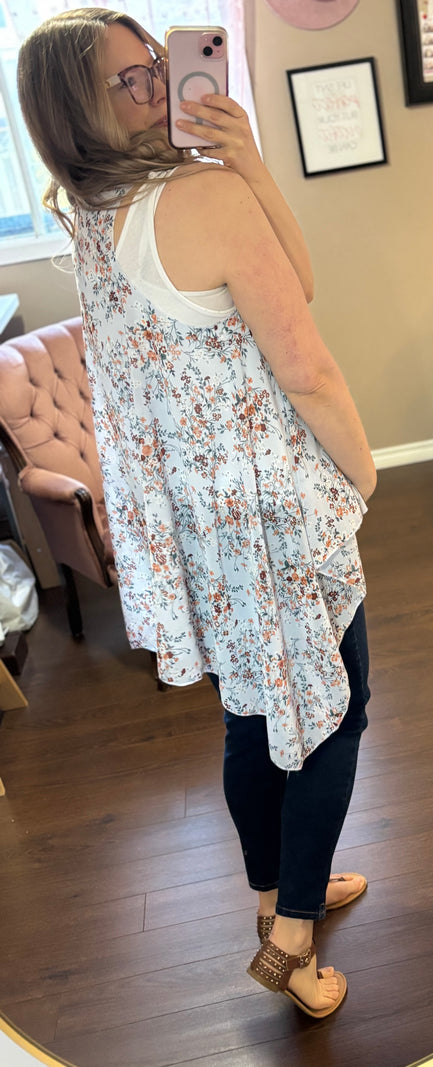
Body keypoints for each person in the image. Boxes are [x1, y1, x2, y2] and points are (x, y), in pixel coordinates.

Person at [17, 7, 377, 1019]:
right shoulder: (197, 196)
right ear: (76, 113)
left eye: (155, 68)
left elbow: (285, 284)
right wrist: (362, 472)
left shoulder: (87, 210)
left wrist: (248, 160)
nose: (159, 90)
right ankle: (296, 939)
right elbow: (302, 357)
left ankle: (272, 900)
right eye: (128, 82)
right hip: (272, 505)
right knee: (333, 710)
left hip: (200, 531)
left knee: (254, 712)